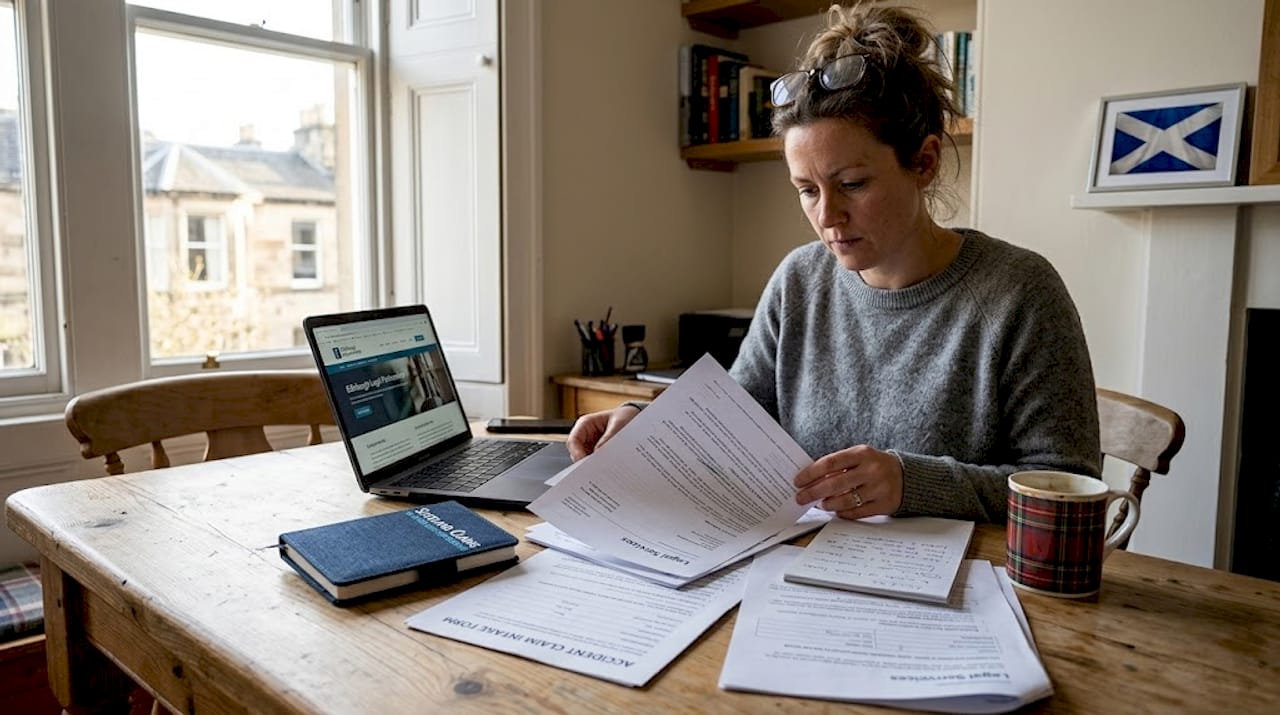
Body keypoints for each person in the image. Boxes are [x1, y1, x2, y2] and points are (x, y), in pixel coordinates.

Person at [567, 4, 1099, 523]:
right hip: (802, 575)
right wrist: (642, 424)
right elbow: (728, 422)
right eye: (806, 189)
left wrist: (912, 483)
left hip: (960, 592)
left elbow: (1066, 485)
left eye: (852, 184)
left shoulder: (1020, 293)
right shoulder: (798, 280)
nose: (828, 215)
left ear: (925, 162)